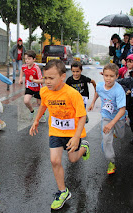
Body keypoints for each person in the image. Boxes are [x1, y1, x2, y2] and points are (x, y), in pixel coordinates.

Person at [29, 59, 90, 210]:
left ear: (62, 77)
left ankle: (84, 148)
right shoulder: (44, 91)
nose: (47, 81)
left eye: (51, 78)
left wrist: (76, 137)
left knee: (73, 158)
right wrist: (36, 120)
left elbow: (82, 116)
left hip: (72, 133)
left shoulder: (72, 94)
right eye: (45, 78)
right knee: (55, 161)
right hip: (55, 131)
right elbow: (44, 104)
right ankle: (63, 192)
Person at [88, 63, 126, 175]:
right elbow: (98, 92)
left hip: (119, 117)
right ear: (103, 75)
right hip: (106, 115)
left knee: (121, 135)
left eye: (111, 76)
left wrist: (112, 124)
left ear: (116, 77)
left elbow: (122, 110)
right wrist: (93, 102)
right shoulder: (100, 85)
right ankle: (111, 161)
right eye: (106, 76)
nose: (108, 79)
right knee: (107, 140)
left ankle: (113, 131)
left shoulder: (119, 90)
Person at [19, 50, 46, 121]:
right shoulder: (24, 66)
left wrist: (34, 80)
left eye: (29, 59)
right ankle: (32, 111)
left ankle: (42, 115)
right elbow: (22, 70)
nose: (27, 61)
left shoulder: (36, 68)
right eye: (25, 59)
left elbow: (42, 81)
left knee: (40, 104)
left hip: (38, 88)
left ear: (34, 59)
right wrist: (20, 78)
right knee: (26, 101)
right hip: (29, 87)